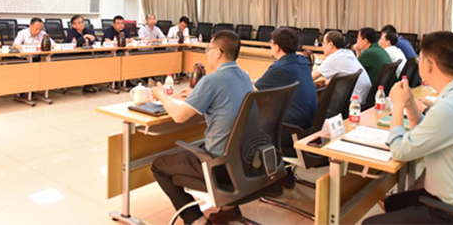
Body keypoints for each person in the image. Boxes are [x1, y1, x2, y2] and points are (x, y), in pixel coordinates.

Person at [364, 32, 453, 224]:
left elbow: (399, 151)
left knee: (369, 223)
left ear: (428, 64)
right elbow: (428, 130)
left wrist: (398, 105)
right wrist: (410, 104)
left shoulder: (450, 107)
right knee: (394, 203)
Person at [151, 30, 253, 225]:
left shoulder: (212, 80)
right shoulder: (244, 77)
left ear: (218, 52)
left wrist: (161, 95)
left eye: (209, 49)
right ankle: (229, 209)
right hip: (244, 160)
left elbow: (179, 116)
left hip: (219, 165)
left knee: (159, 166)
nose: (207, 54)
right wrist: (197, 95)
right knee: (197, 147)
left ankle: (197, 220)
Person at [254, 27, 317, 158]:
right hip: (308, 126)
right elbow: (264, 81)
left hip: (290, 130)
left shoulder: (279, 68)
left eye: (271, 43)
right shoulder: (302, 61)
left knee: (247, 126)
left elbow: (253, 92)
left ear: (277, 47)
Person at [313, 31, 372, 104]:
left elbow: (310, 78)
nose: (322, 46)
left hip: (353, 102)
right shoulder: (348, 53)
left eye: (324, 43)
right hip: (363, 98)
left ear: (330, 44)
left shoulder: (334, 58)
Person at [64, 15, 98, 92]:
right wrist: (84, 37)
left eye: (82, 22)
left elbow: (95, 40)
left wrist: (87, 41)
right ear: (73, 25)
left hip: (86, 54)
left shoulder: (88, 30)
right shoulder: (71, 32)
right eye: (79, 23)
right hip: (73, 55)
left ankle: (88, 85)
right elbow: (74, 44)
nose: (81, 24)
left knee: (92, 63)